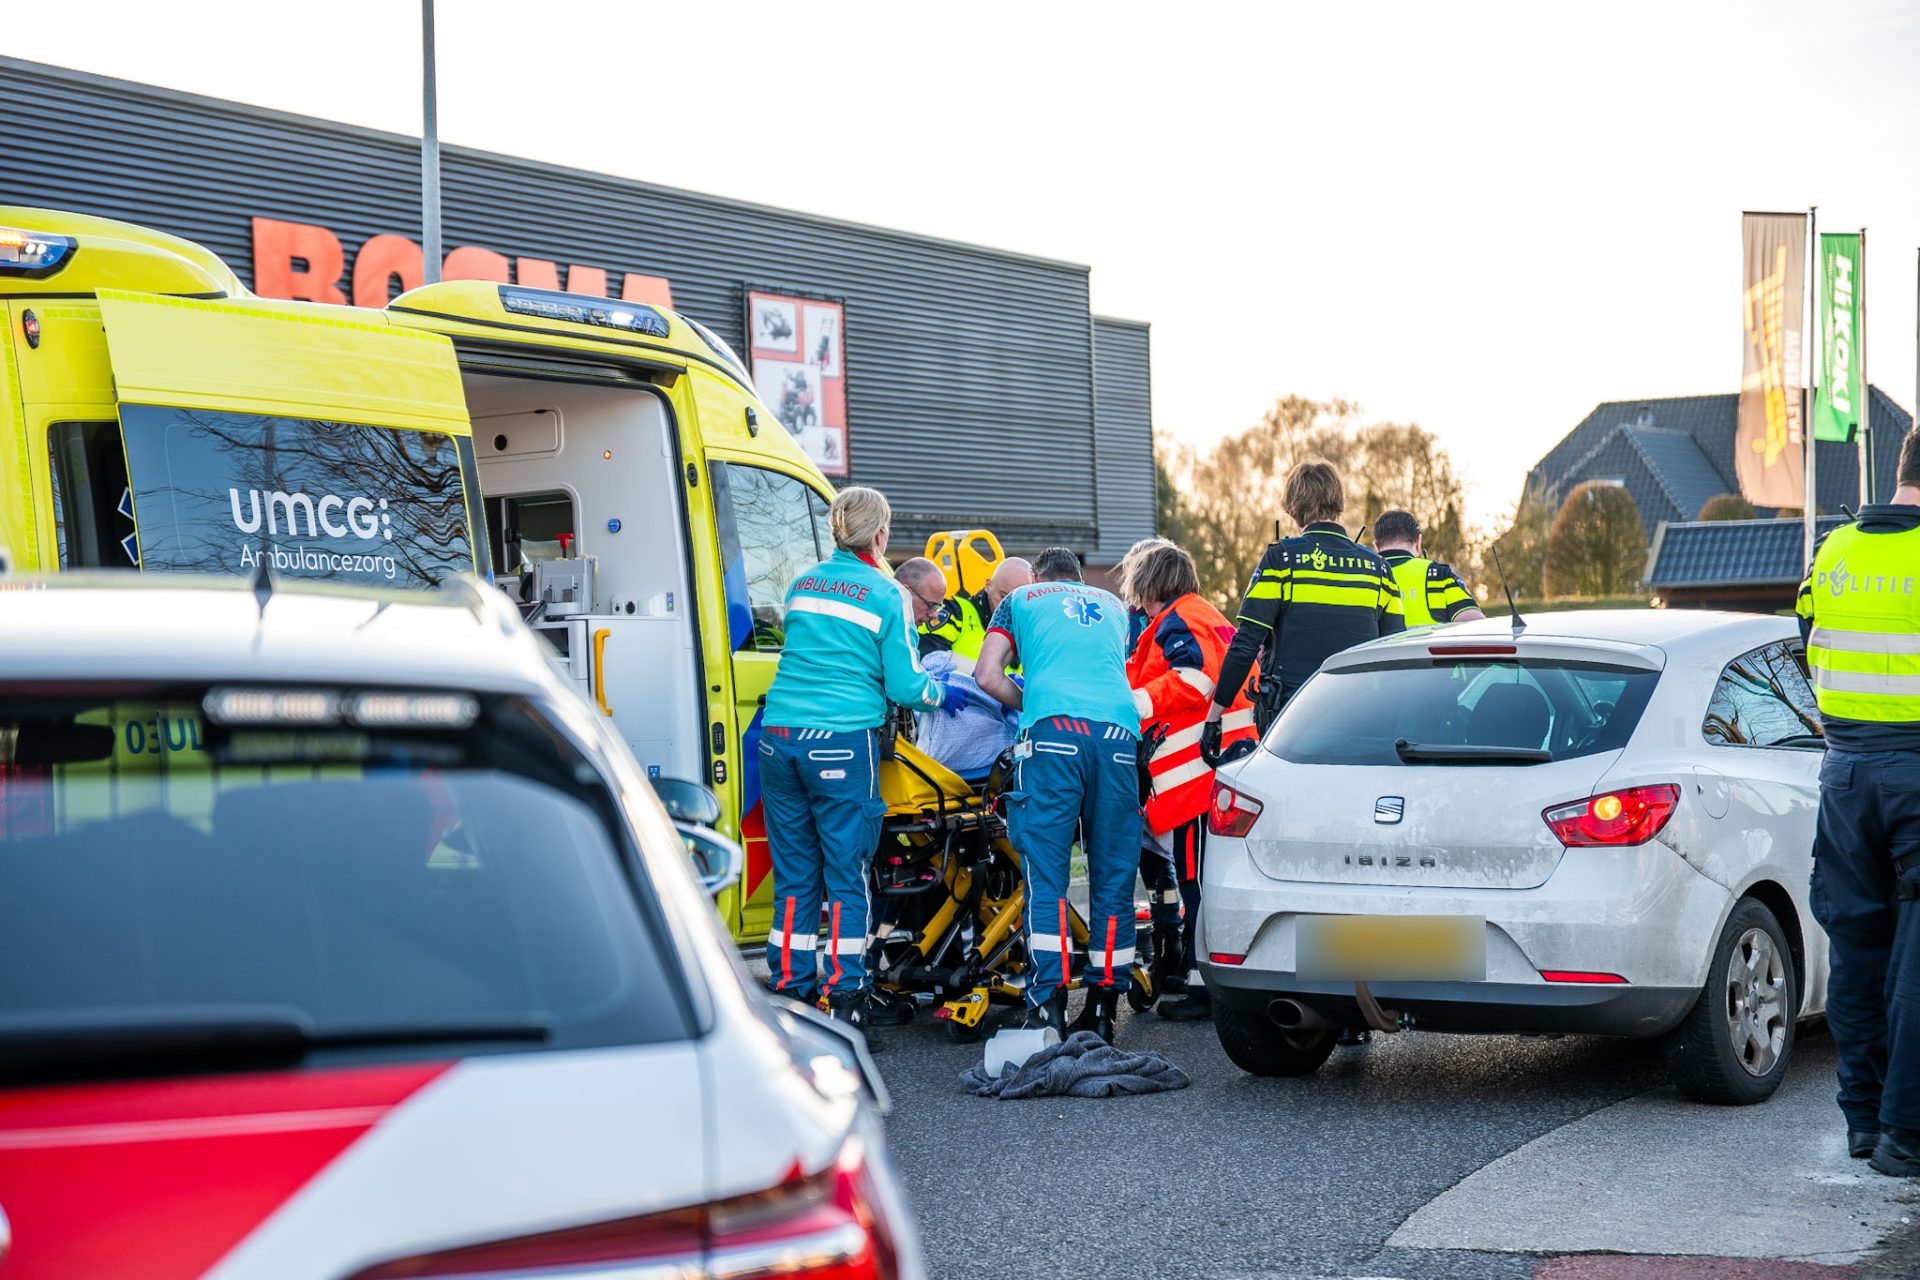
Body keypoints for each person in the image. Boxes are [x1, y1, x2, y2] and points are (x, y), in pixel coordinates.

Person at [760, 489, 967, 1044]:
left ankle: (790, 996)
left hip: (778, 740)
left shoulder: (802, 584)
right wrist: (938, 692)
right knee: (847, 878)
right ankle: (847, 1005)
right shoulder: (886, 592)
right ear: (880, 535)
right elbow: (903, 684)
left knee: (796, 881)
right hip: (839, 743)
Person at [1795, 428, 1920, 1176]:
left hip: (1844, 773)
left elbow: (1807, 641)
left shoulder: (1834, 552)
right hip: (1915, 771)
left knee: (1857, 951)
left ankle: (1865, 1125)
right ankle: (1907, 1134)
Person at [975, 546, 1140, 1041]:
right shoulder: (1114, 607)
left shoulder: (1021, 597)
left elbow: (986, 675)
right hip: (1117, 738)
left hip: (1052, 737)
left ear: (1037, 575)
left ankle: (1047, 1007)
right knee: (1113, 879)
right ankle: (1105, 1009)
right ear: (1077, 576)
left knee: (1047, 880)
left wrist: (1031, 702)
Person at [1120, 542, 1260, 1023]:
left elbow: (1194, 678)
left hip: (1198, 776)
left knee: (1197, 879)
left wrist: (1133, 703)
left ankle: (1204, 986)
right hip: (1226, 764)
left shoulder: (1176, 622)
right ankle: (1204, 974)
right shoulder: (1207, 615)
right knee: (1209, 877)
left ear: (1152, 583)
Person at [1203, 460, 1405, 748]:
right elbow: (1394, 652)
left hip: (1293, 721)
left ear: (1293, 507)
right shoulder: (1379, 568)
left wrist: (1214, 717)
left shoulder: (1281, 559)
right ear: (1338, 501)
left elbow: (1245, 644)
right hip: (1364, 720)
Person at [1372, 509, 1484, 626]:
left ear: (1376, 546)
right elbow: (1474, 621)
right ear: (1418, 541)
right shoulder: (1438, 574)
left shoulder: (1364, 578)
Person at [920, 556, 1034, 664]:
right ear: (988, 585)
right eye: (1003, 596)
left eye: (1018, 602)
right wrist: (980, 673)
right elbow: (927, 657)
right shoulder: (955, 614)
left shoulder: (1032, 630)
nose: (1008, 607)